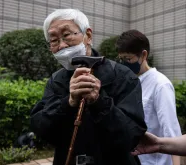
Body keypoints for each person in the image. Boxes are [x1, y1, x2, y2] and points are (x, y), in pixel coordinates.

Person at [30, 9, 147, 165]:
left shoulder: (122, 76)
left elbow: (132, 136)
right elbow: (42, 129)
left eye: (66, 35)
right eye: (54, 40)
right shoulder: (56, 80)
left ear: (88, 36)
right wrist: (68, 103)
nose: (62, 45)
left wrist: (99, 102)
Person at [115, 29, 182, 165]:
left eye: (128, 59)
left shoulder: (160, 85)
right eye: (121, 59)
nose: (124, 64)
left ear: (143, 55)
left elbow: (171, 131)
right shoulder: (127, 83)